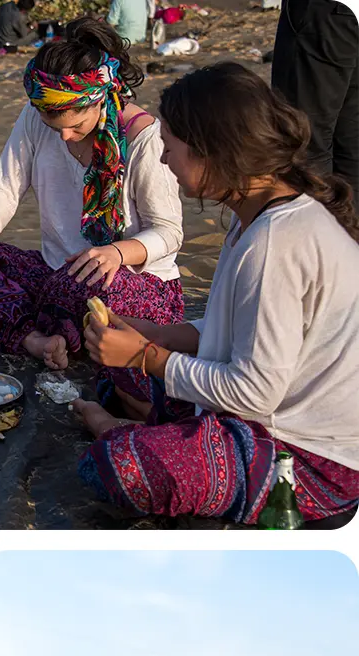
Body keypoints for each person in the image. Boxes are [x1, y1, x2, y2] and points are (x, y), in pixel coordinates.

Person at [78, 62, 359, 526]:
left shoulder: (277, 241)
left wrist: (148, 356)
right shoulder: (259, 215)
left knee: (121, 466)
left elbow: (253, 394)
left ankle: (118, 426)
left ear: (211, 151)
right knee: (121, 379)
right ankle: (146, 414)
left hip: (316, 459)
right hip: (273, 404)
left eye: (171, 148)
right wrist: (164, 335)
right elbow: (251, 328)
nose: (165, 160)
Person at [0, 17, 184, 368]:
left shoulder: (143, 139)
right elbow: (5, 188)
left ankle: (51, 329)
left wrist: (115, 253)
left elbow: (168, 232)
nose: (63, 137)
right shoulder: (34, 118)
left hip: (131, 279)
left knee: (81, 288)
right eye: (53, 126)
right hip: (54, 271)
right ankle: (35, 340)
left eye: (75, 126)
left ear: (99, 101)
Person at [271, 0, 358, 204]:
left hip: (323, 13)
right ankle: (346, 230)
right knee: (349, 139)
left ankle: (321, 229)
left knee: (303, 141)